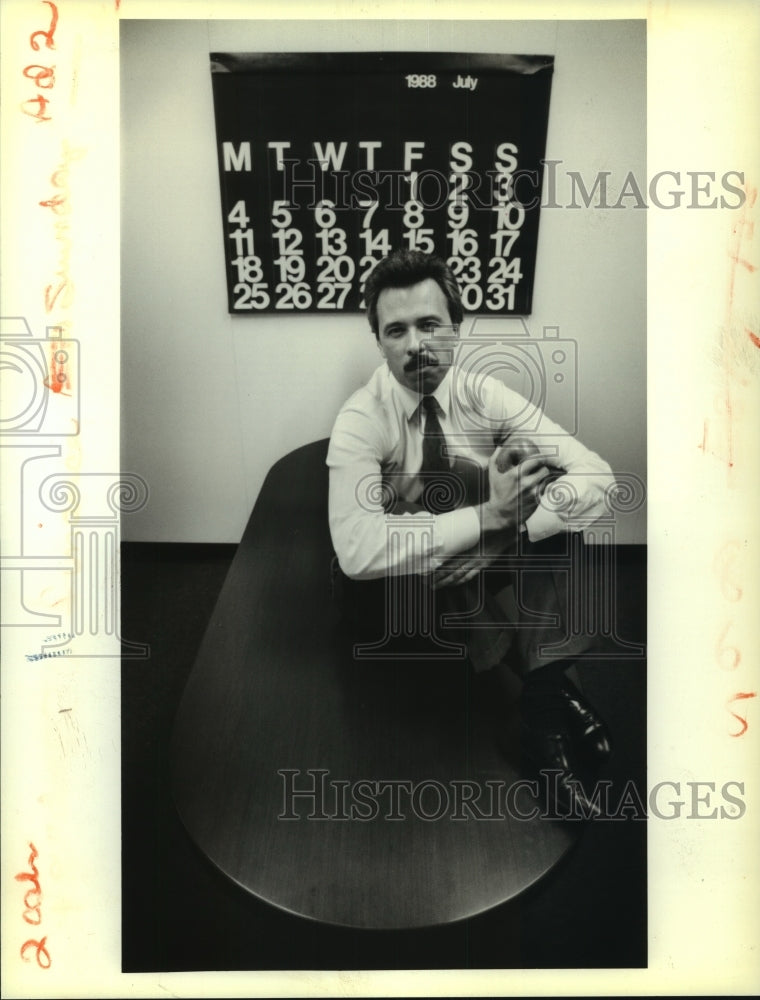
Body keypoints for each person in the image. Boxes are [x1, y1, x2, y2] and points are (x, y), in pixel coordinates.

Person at [326, 249, 614, 817]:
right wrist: (485, 520)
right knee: (435, 505)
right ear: (379, 342)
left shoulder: (484, 395)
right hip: (394, 594)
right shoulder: (362, 417)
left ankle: (539, 712)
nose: (416, 345)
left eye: (430, 324)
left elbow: (595, 474)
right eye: (396, 330)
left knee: (545, 495)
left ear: (456, 327)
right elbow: (356, 550)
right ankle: (552, 691)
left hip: (475, 568)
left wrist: (509, 528)